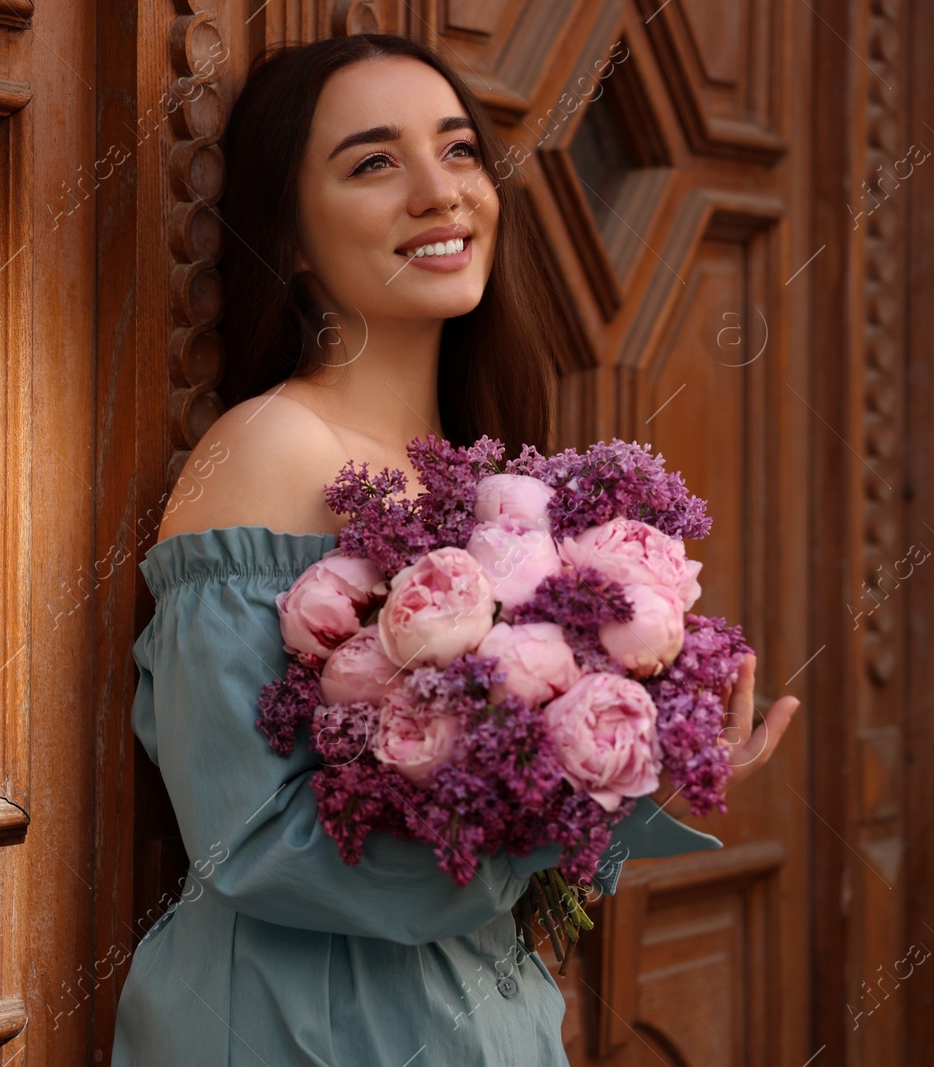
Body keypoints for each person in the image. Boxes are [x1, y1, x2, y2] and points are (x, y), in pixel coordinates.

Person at [108, 33, 801, 1066]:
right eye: (375, 162)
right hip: (302, 1023)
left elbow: (511, 850)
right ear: (289, 234)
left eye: (460, 151)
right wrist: (544, 808)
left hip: (478, 1014)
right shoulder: (270, 448)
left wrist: (625, 762)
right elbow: (249, 840)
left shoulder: (492, 487)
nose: (440, 192)